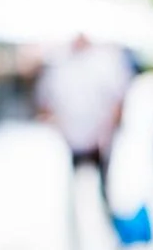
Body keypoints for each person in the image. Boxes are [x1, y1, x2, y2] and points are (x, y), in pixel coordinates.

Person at [35, 33, 132, 210]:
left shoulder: (104, 63)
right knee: (73, 190)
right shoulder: (61, 64)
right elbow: (46, 103)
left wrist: (108, 132)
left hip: (99, 139)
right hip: (71, 138)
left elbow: (118, 101)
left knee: (103, 190)